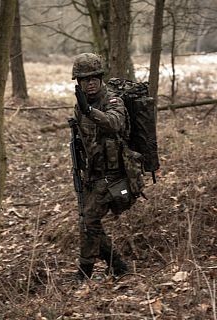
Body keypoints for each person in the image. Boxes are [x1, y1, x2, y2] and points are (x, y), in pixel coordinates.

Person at [70, 53, 132, 280]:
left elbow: (114, 122)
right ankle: (117, 264)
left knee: (89, 220)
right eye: (85, 79)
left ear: (101, 77)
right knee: (89, 220)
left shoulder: (113, 100)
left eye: (94, 77)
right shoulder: (81, 105)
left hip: (114, 174)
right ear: (79, 82)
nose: (91, 82)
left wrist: (90, 112)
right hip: (93, 173)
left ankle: (84, 271)